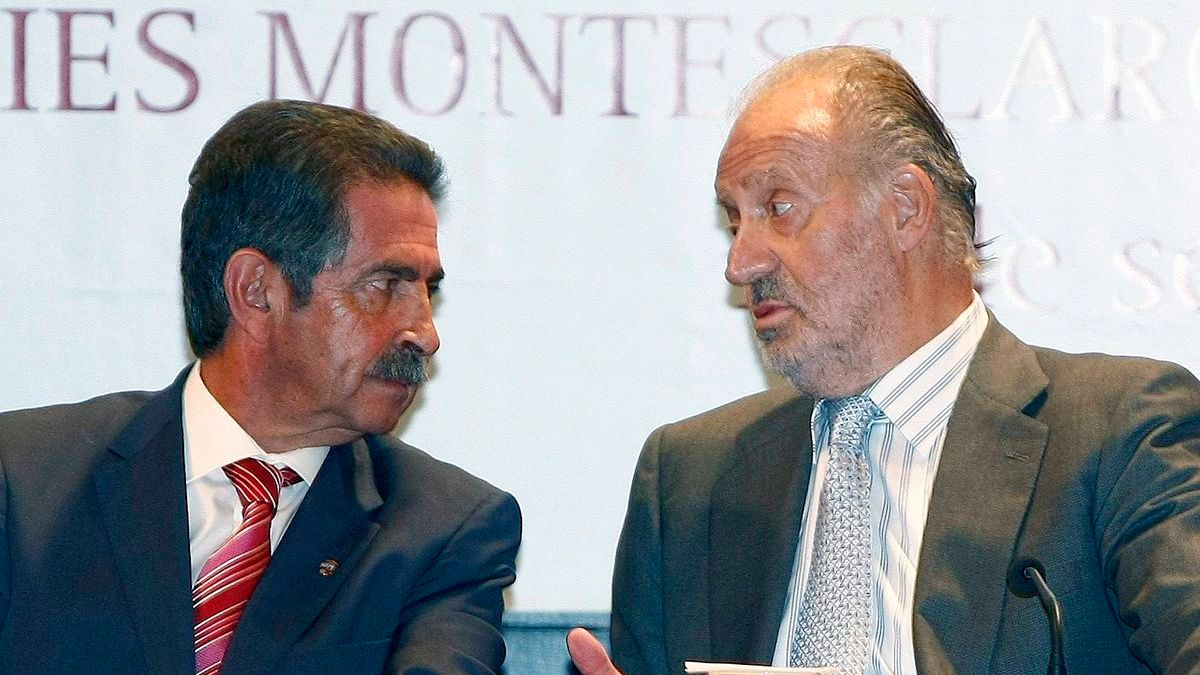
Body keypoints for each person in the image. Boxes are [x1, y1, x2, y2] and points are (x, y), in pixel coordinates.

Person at [568, 45, 1200, 674]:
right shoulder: (686, 479)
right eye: (736, 221)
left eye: (779, 208)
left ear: (905, 207)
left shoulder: (1118, 435)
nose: (741, 263)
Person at [0, 100, 521, 674]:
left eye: (427, 291)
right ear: (255, 290)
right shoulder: (21, 480)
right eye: (383, 285)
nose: (425, 334)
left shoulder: (448, 531)